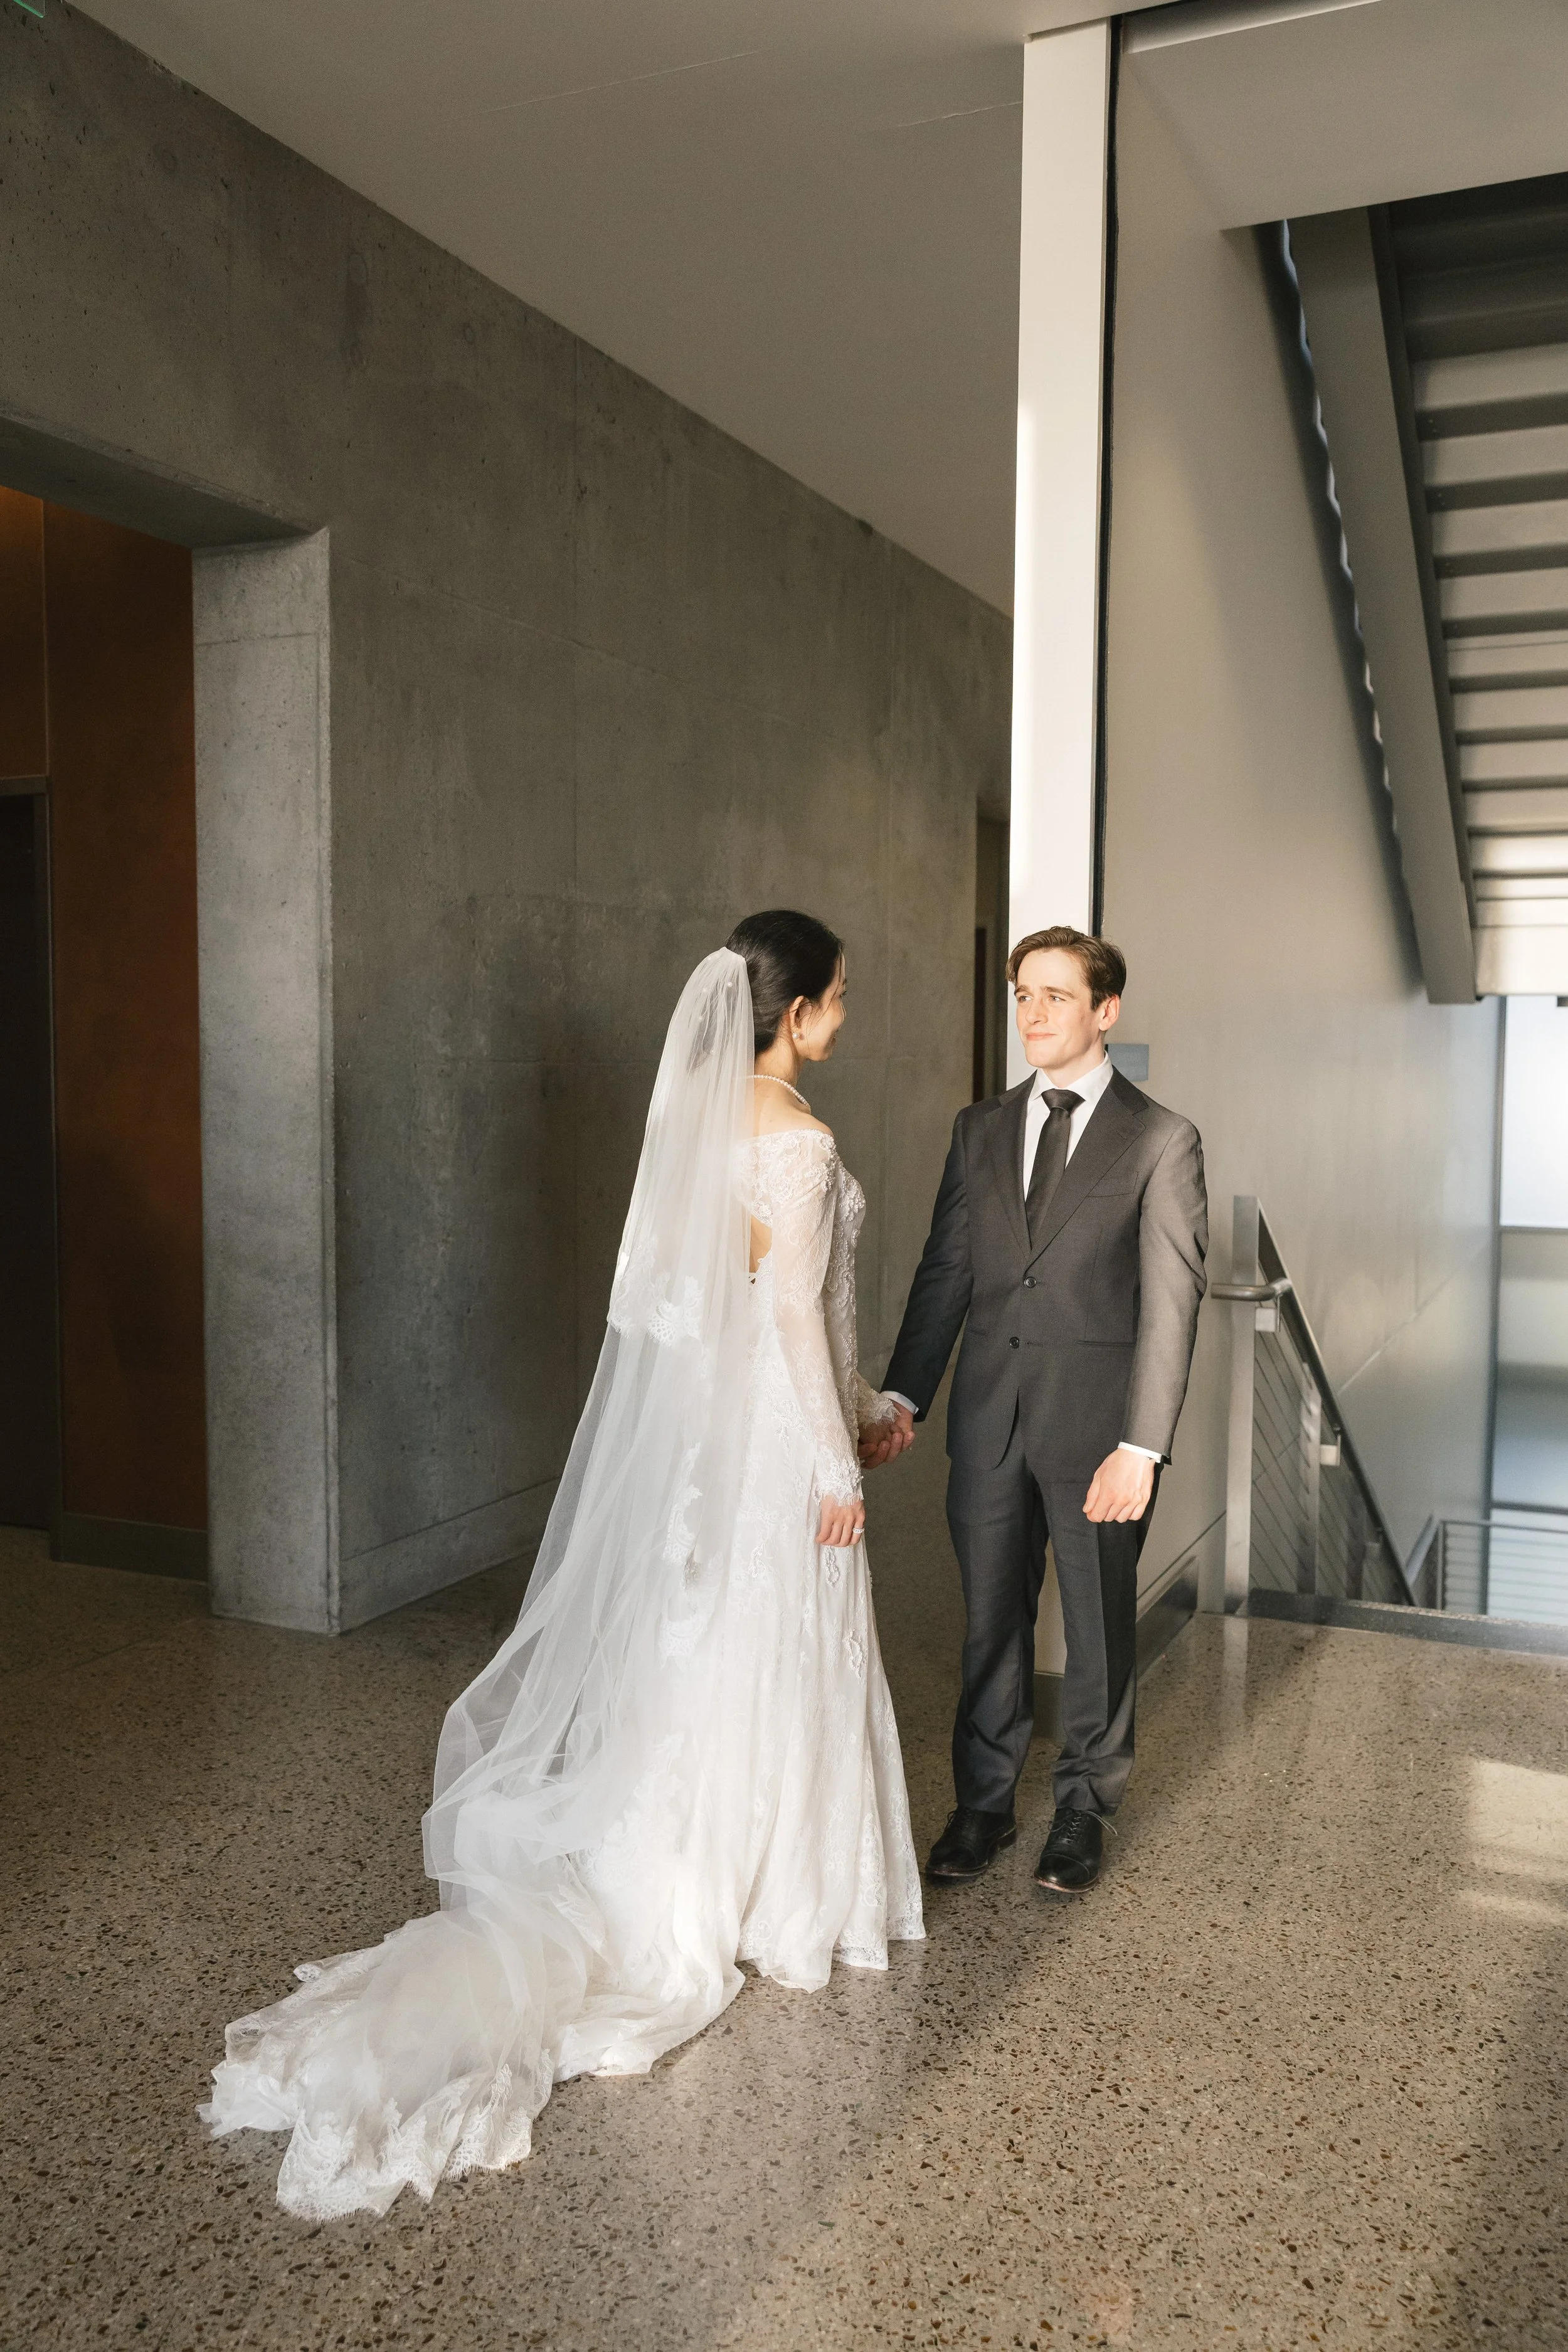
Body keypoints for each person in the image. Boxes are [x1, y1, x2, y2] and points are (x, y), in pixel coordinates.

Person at [203, 914, 923, 2219]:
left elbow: (730, 1318)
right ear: (801, 1010)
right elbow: (793, 1325)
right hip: (775, 1450)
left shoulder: (694, 1136)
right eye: (835, 998)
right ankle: (768, 1897)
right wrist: (837, 1457)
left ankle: (702, 1854)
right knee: (779, 1644)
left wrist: (863, 1406)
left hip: (716, 1443)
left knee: (709, 1647)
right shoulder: (802, 1147)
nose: (840, 1017)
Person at [869, 926, 1206, 1896]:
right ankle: (982, 1802)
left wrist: (1142, 1444)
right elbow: (948, 1273)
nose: (1032, 1012)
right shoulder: (980, 1127)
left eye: (1056, 995)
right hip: (988, 1419)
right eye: (1023, 994)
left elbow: (1172, 1303)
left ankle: (1083, 1809)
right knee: (988, 1619)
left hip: (1102, 1431)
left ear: (1106, 1010)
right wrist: (904, 1393)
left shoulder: (1159, 1137)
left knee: (1099, 1625)